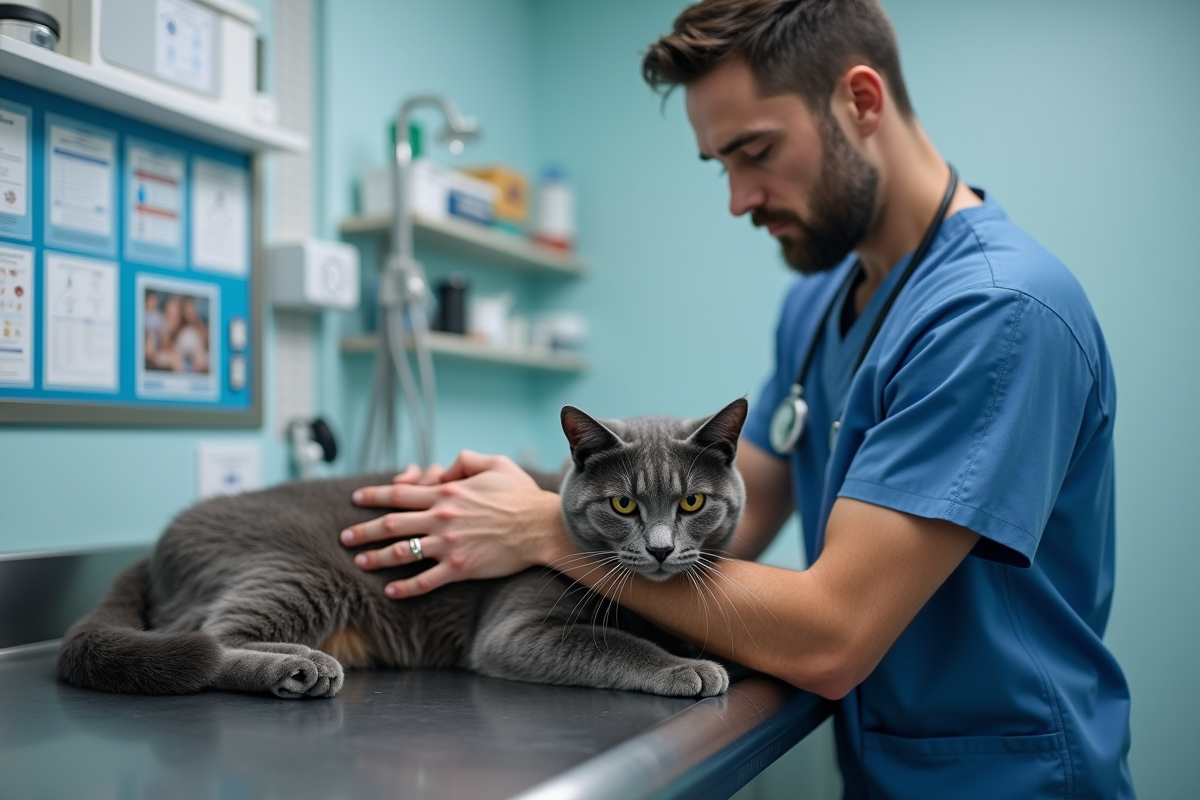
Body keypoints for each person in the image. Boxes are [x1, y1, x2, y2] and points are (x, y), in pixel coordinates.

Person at [338, 1, 1134, 796]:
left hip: (1009, 776)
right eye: (720, 164)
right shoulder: (819, 303)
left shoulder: (996, 316)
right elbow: (732, 522)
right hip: (888, 769)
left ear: (861, 101)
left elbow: (834, 636)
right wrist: (528, 501)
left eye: (756, 151)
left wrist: (541, 527)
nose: (738, 198)